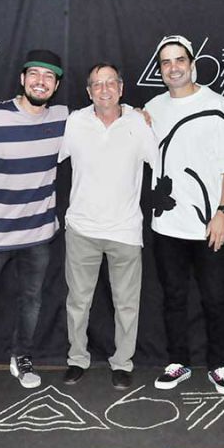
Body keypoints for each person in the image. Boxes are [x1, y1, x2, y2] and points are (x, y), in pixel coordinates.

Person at [0, 50, 68, 390]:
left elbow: (105, 118)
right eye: (34, 74)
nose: (41, 81)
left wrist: (137, 113)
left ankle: (22, 355)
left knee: (31, 300)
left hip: (37, 232)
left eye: (49, 77)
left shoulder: (65, 119)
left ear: (56, 85)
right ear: (22, 79)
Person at [145, 35, 224, 395]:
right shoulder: (152, 107)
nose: (173, 67)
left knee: (215, 298)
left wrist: (223, 212)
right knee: (173, 297)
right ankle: (178, 362)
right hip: (166, 224)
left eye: (179, 60)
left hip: (209, 225)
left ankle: (219, 364)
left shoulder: (218, 105)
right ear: (160, 70)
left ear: (192, 64)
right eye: (166, 62)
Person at [59, 63, 158, 390]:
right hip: (81, 229)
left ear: (121, 88)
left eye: (110, 83)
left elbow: (160, 160)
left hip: (125, 230)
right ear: (88, 92)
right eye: (97, 84)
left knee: (127, 304)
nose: (104, 89)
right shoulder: (75, 122)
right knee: (78, 302)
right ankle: (77, 358)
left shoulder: (138, 123)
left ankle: (123, 363)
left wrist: (145, 117)